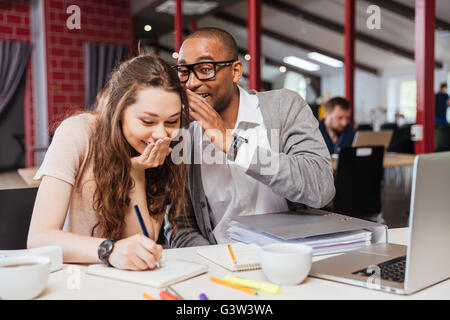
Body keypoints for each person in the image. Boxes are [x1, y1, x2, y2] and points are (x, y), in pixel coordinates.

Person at [164, 27, 335, 247]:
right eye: (183, 71)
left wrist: (232, 145)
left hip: (292, 258)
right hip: (222, 268)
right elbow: (179, 225)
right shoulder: (181, 132)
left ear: (236, 71)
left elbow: (321, 188)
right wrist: (216, 262)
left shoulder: (284, 106)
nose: (191, 83)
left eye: (206, 69)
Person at [27, 55, 189, 270]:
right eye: (147, 121)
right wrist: (109, 250)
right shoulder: (78, 132)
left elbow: (141, 245)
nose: (161, 134)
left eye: (172, 121)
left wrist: (136, 173)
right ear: (119, 111)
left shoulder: (165, 150)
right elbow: (39, 239)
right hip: (75, 278)